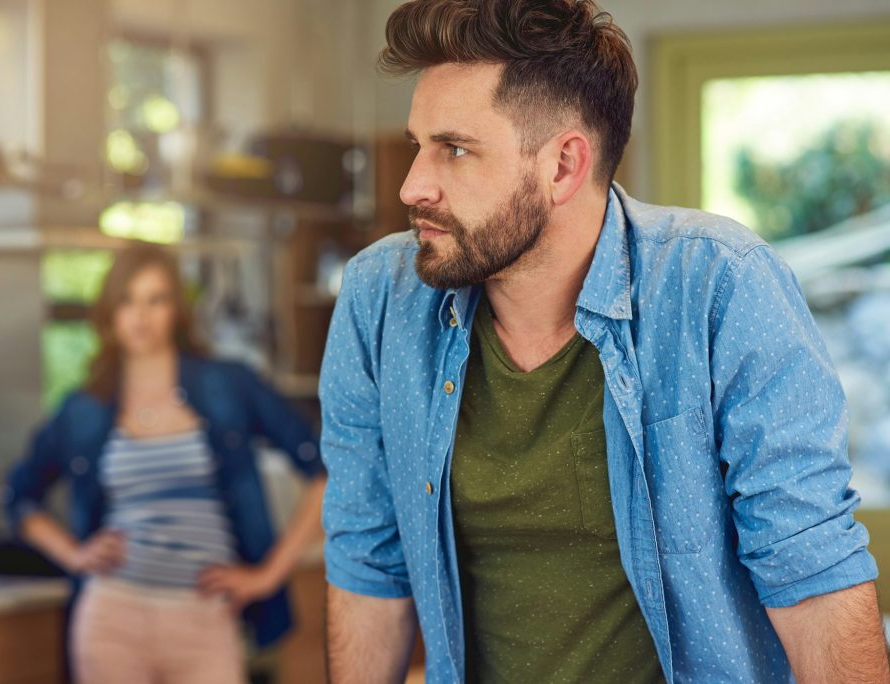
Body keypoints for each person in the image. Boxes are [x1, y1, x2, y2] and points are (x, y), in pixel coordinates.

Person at [319, 1, 889, 682]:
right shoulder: (380, 297)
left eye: (456, 149)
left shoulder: (720, 286)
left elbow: (812, 570)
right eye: (419, 145)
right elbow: (366, 562)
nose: (414, 184)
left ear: (563, 166)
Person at [1, 242, 326, 683]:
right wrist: (76, 555)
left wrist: (267, 577)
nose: (141, 316)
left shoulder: (228, 385)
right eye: (128, 301)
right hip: (111, 617)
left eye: (156, 300)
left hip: (204, 617)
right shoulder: (83, 408)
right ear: (110, 313)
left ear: (176, 310)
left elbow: (324, 469)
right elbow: (19, 496)